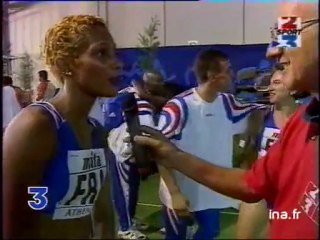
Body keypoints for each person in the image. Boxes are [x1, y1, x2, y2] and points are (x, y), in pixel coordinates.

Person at [134, 2, 319, 239]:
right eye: (278, 35)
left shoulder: (240, 107)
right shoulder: (301, 123)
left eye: (288, 34)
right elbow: (252, 183)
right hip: (186, 196)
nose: (272, 51)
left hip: (209, 199)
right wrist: (173, 160)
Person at [3, 15, 119, 239]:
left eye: (115, 53)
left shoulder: (96, 132)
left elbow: (104, 214)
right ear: (68, 64)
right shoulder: (36, 125)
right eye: (102, 53)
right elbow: (14, 225)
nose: (116, 63)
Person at [155, 49, 264, 240]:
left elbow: (257, 111)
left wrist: (250, 144)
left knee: (210, 231)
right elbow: (158, 150)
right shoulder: (179, 106)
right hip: (180, 191)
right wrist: (174, 193)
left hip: (211, 188)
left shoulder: (228, 103)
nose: (232, 75)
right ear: (213, 76)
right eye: (228, 70)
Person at [106, 71, 186, 240]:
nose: (161, 87)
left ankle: (131, 219)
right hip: (123, 150)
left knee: (132, 189)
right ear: (149, 85)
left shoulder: (137, 94)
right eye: (158, 83)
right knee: (125, 191)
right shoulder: (140, 101)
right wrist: (146, 161)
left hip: (130, 148)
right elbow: (144, 132)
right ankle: (125, 228)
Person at [236, 69, 299, 239]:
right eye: (270, 82)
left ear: (293, 88)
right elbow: (247, 157)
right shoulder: (259, 117)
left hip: (292, 197)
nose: (270, 88)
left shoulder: (308, 119)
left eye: (276, 83)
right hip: (260, 194)